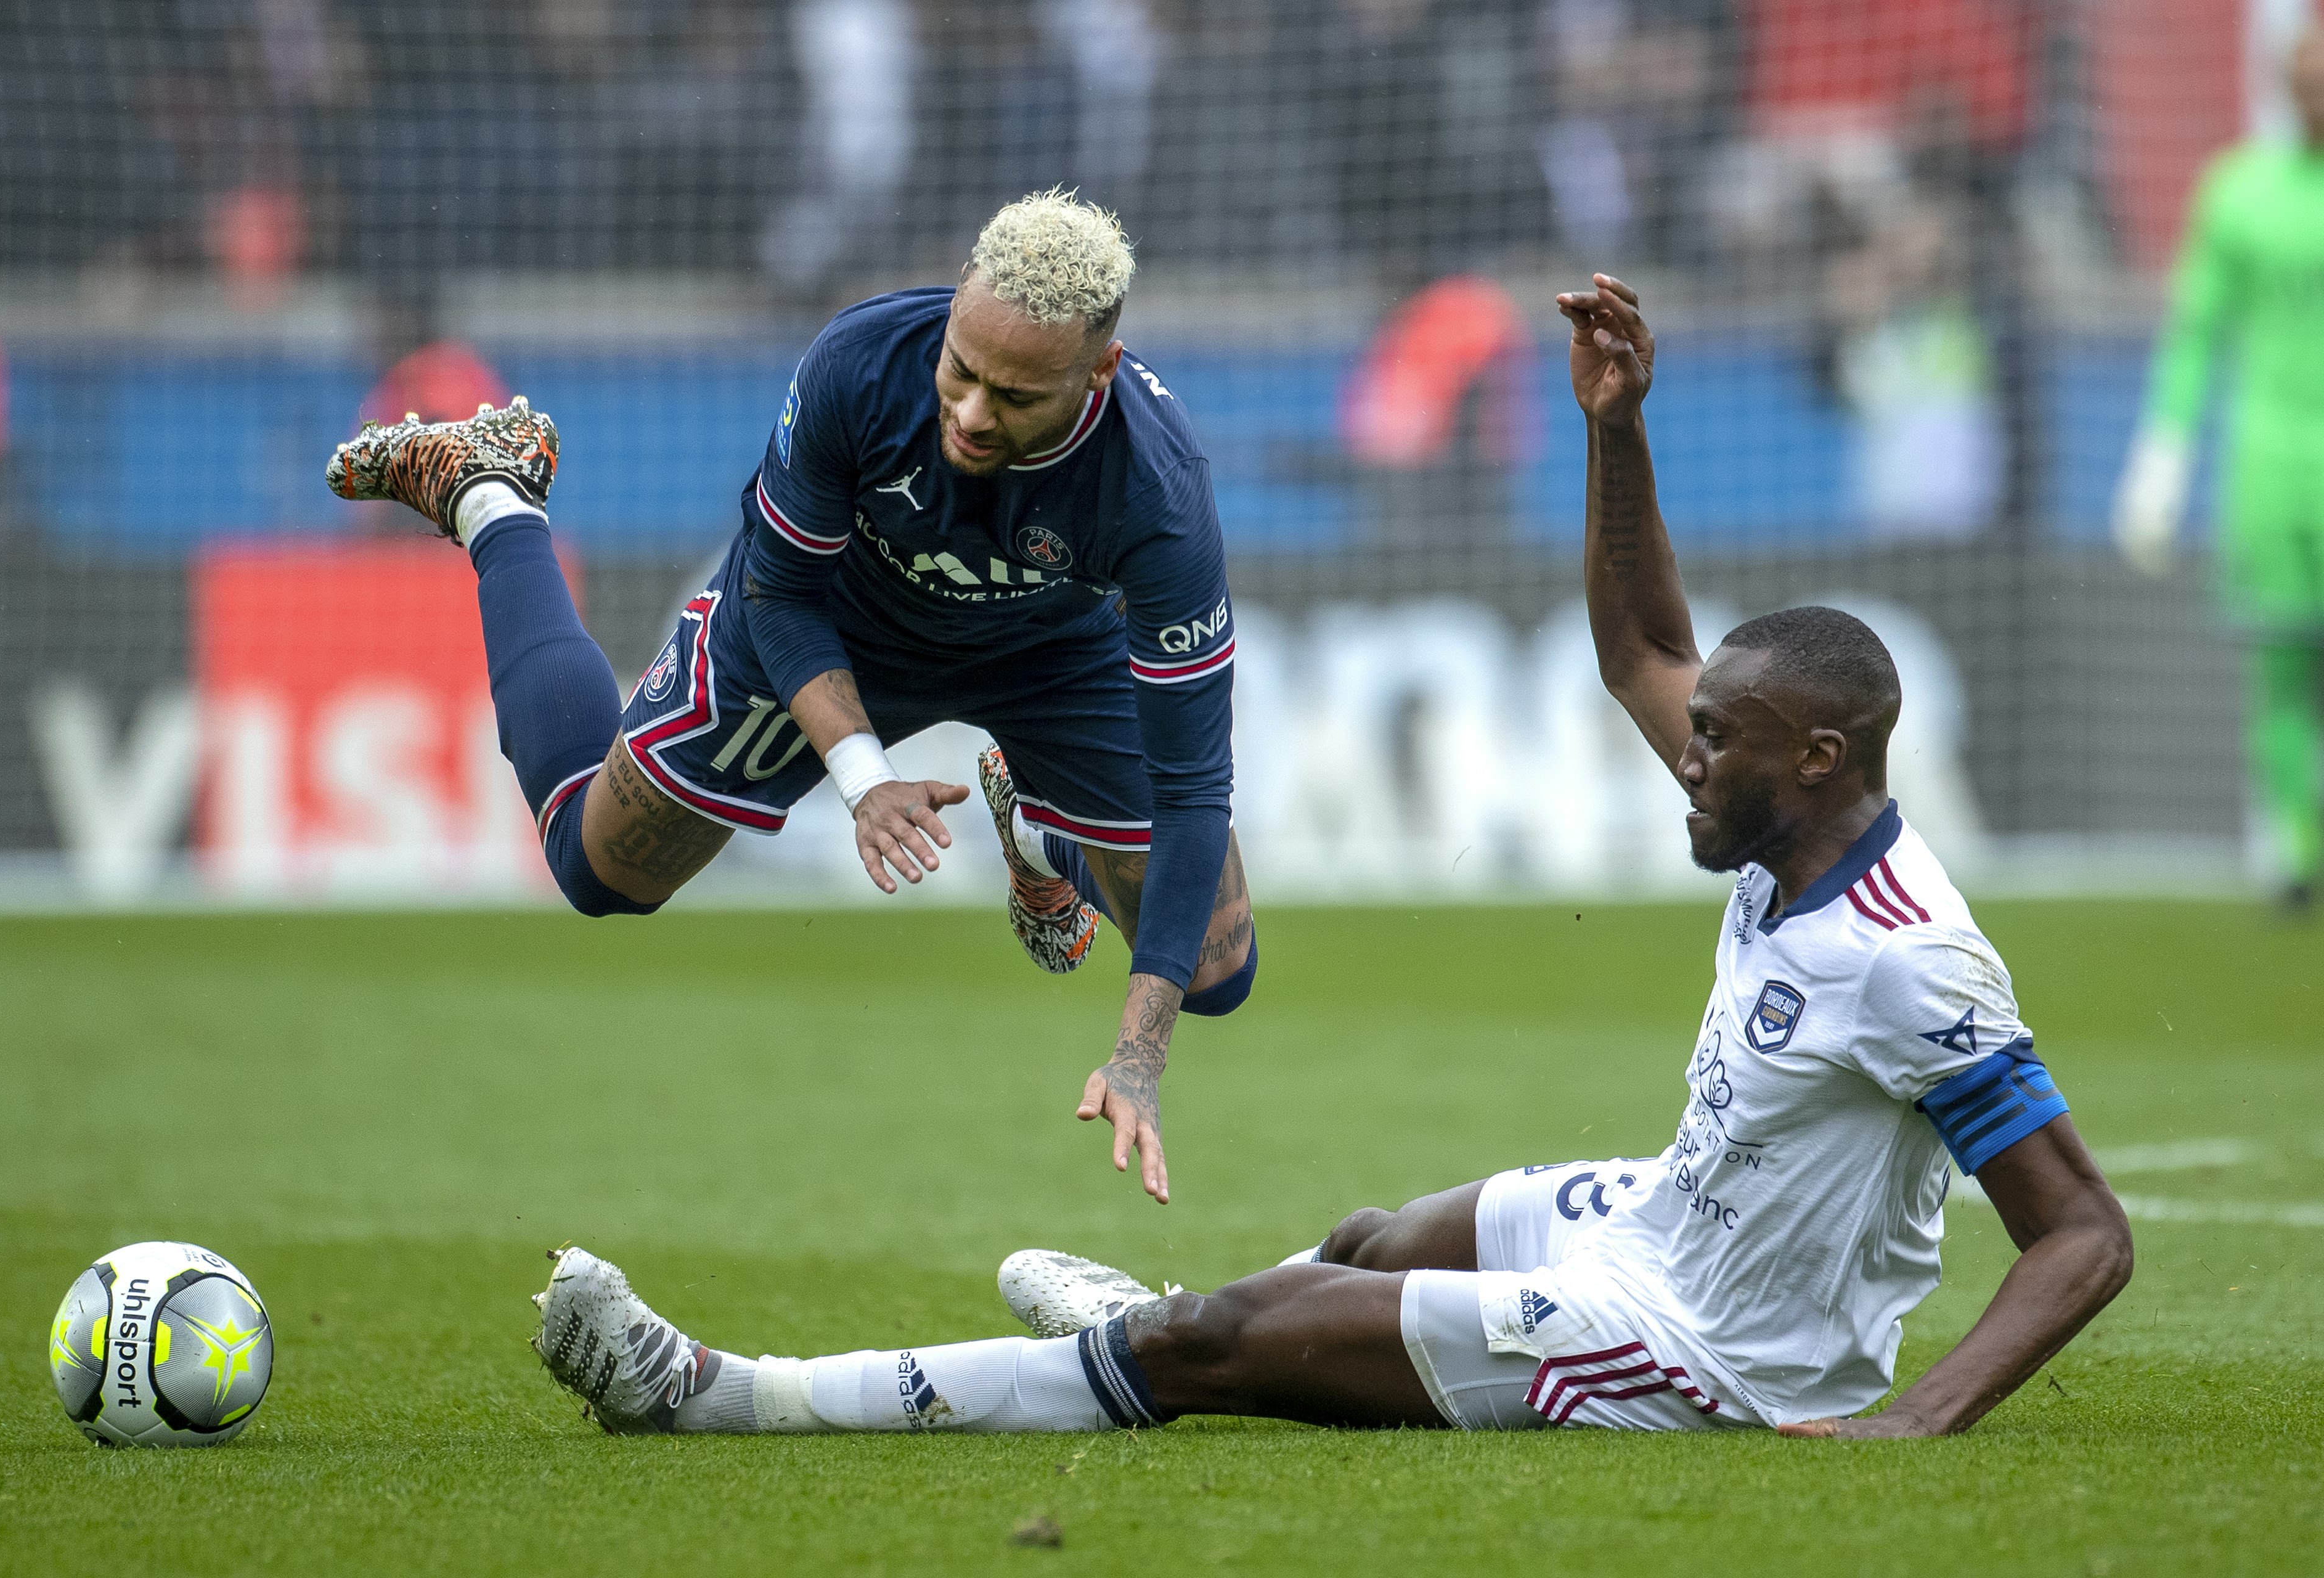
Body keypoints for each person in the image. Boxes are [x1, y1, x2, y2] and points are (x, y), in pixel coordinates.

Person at [522, 276, 2134, 1441]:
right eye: (1699, 735)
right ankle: (1165, 1322)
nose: (1684, 759)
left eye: (1717, 743)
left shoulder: (1912, 955)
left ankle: (737, 1401)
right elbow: (1645, 646)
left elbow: (2082, 1234)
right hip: (1656, 1221)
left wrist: (1912, 1425)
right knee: (1363, 1240)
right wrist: (1615, 433)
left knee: (1225, 1341)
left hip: (1702, 1345)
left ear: (1823, 759)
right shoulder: (1784, 826)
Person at [327, 192, 1252, 1205]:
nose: (974, 413)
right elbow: (779, 586)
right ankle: (490, 495)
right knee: (598, 873)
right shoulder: (859, 363)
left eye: (1017, 397)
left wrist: (1137, 1059)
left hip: (1057, 657)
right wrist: (863, 776)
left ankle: (1034, 832)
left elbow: (1195, 787)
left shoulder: (1160, 493)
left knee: (1214, 973)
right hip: (839, 618)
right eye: (962, 370)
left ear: (1098, 373)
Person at [2114, 26, 2324, 914]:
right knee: (2279, 665)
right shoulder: (2238, 191)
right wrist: (2162, 457)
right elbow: (2196, 336)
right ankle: (2300, 852)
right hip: (2271, 466)